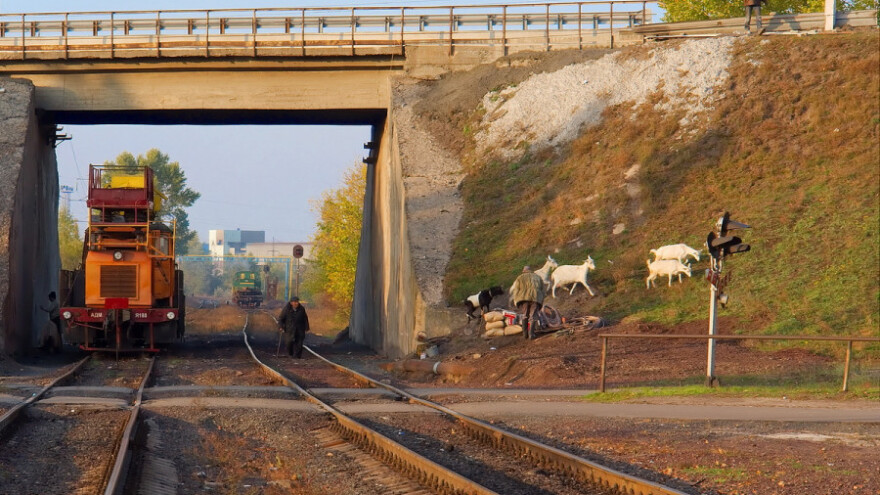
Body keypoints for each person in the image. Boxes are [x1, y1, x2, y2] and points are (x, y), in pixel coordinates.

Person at [510, 265, 545, 340]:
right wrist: (541, 299)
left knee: (525, 315)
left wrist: (516, 300)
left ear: (524, 271)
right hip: (535, 298)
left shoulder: (519, 278)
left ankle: (525, 334)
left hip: (524, 299)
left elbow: (516, 290)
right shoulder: (538, 277)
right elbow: (543, 290)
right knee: (533, 316)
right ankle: (531, 335)